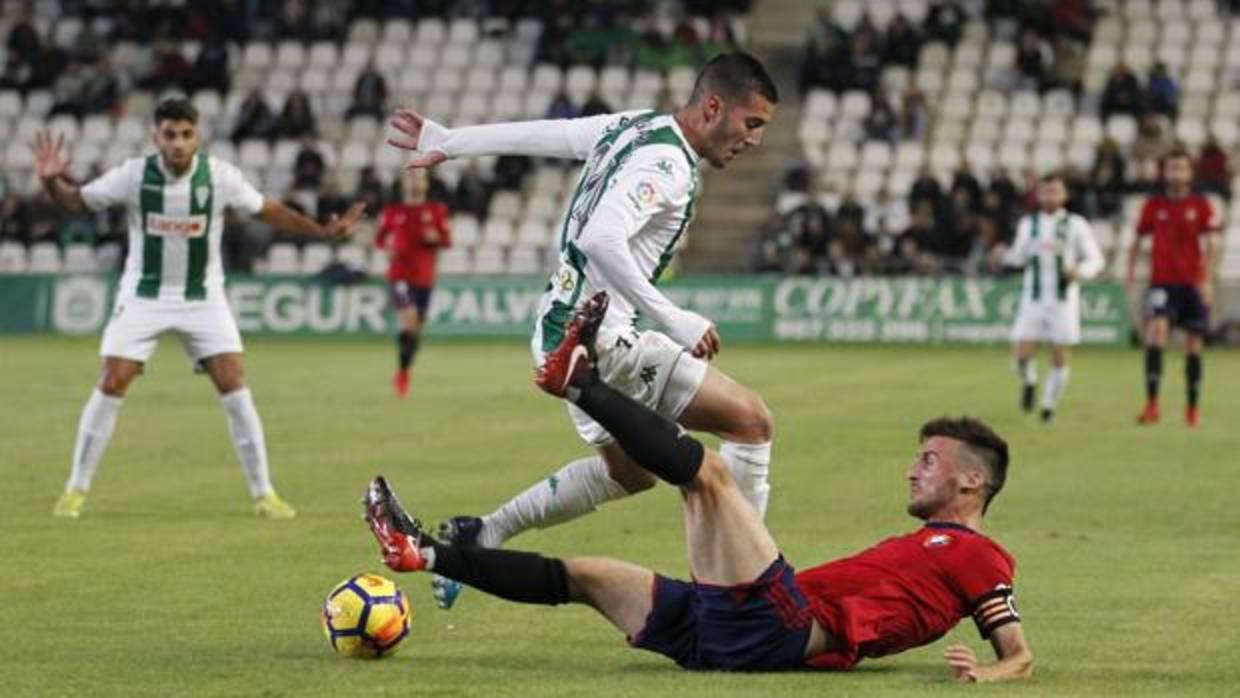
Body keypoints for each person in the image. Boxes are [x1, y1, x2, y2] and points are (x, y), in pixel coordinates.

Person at [363, 291, 1033, 680]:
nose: (915, 468)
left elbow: (1019, 654)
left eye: (931, 460)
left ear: (973, 481)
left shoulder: (979, 554)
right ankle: (421, 552)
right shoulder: (930, 543)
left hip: (782, 626)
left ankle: (582, 382)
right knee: (584, 575)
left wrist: (990, 674)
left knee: (708, 477)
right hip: (733, 630)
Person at [384, 52, 779, 608]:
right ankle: (745, 590)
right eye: (751, 123)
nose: (754, 140)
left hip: (560, 328)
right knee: (750, 422)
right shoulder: (665, 164)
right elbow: (601, 237)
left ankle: (484, 532)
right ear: (714, 107)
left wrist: (454, 140)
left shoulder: (639, 125)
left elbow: (559, 135)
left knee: (631, 471)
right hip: (600, 337)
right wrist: (675, 317)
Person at [34, 98, 366, 519]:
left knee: (234, 382)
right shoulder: (134, 175)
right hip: (144, 296)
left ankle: (265, 494)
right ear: (156, 136)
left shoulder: (220, 177)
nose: (177, 143)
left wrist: (319, 232)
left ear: (198, 137)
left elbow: (270, 211)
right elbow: (77, 203)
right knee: (113, 380)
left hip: (203, 298)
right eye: (169, 134)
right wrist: (50, 183)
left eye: (185, 134)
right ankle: (75, 490)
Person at [1126, 149, 1221, 427]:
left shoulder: (1201, 205)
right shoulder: (1153, 206)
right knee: (1156, 333)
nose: (1176, 173)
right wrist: (1130, 275)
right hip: (1162, 282)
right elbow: (1138, 241)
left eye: (1181, 168)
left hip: (1192, 283)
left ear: (1190, 174)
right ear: (1164, 173)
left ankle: (1192, 408)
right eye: (1171, 169)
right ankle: (1152, 404)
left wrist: (1207, 280)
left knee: (1193, 343)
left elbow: (1212, 245)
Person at [1004, 174, 1104, 422]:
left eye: (1055, 192)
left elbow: (1096, 259)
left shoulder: (1076, 224)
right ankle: (1029, 381)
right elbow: (1017, 256)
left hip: (1063, 300)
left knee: (1059, 355)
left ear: (1064, 195)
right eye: (1045, 192)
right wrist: (1004, 256)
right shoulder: (1029, 224)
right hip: (1033, 298)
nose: (1050, 196)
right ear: (1038, 195)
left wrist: (1079, 271)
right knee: (1020, 354)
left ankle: (1048, 407)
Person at [374, 168, 452, 398]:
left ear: (426, 185)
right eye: (411, 178)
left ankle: (403, 370)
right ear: (403, 184)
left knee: (415, 329)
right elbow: (379, 239)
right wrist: (387, 248)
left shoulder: (436, 211)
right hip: (399, 275)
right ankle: (402, 374)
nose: (415, 182)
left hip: (425, 278)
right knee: (409, 322)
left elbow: (447, 240)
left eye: (419, 178)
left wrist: (435, 238)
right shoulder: (392, 212)